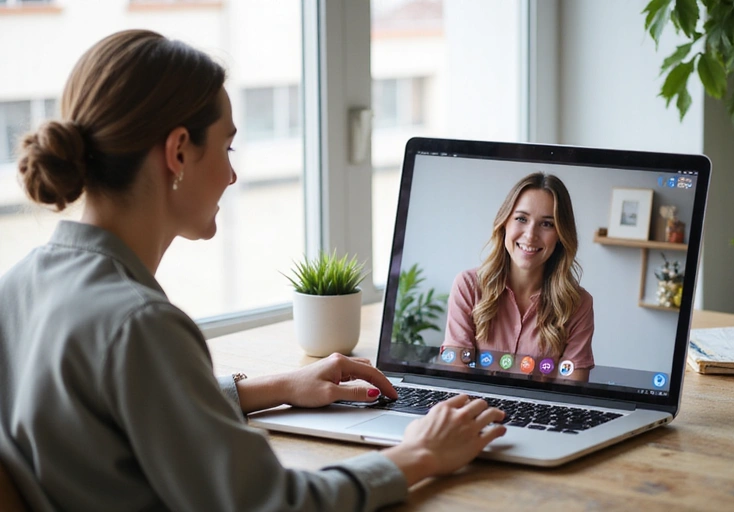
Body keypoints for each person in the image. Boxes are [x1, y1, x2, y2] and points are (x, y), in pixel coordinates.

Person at [0, 30, 506, 512]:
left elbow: (119, 412)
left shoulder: (20, 285)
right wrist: (418, 454)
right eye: (227, 147)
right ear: (177, 152)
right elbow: (273, 504)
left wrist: (275, 387)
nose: (232, 174)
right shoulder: (140, 324)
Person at [441, 172, 594, 381]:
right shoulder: (468, 287)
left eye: (547, 224)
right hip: (473, 411)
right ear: (504, 223)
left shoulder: (578, 304)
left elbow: (570, 397)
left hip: (543, 413)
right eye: (521, 219)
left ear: (560, 235)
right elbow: (455, 382)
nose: (530, 235)